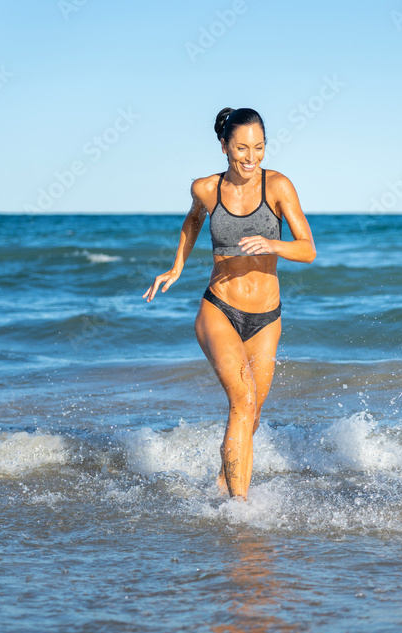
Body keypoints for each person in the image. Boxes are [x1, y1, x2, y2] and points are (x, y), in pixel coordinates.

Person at [143, 107, 316, 499]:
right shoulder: (206, 188)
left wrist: (274, 244)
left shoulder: (278, 187)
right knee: (243, 399)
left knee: (251, 413)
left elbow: (308, 249)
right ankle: (241, 509)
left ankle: (223, 483)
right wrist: (175, 268)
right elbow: (193, 221)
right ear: (224, 146)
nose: (251, 157)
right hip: (219, 308)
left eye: (259, 147)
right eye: (241, 148)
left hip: (267, 317)